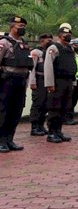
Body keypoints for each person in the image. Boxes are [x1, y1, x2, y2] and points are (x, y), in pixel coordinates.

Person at [0, 16, 34, 152]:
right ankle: (1, 140)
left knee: (16, 111)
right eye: (20, 27)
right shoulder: (4, 42)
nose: (22, 29)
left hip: (20, 81)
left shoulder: (24, 44)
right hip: (7, 81)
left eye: (24, 27)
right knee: (3, 111)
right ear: (12, 26)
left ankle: (9, 139)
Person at [43, 25, 78, 143]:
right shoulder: (54, 48)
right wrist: (49, 83)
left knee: (64, 107)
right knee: (55, 107)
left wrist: (73, 81)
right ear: (59, 35)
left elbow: (72, 65)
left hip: (68, 81)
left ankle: (59, 131)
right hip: (57, 82)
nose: (67, 36)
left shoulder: (70, 48)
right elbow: (48, 66)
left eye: (69, 34)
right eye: (65, 34)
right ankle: (52, 132)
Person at [28, 33, 53, 136]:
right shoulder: (35, 52)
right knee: (38, 103)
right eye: (48, 40)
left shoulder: (48, 52)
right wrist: (32, 82)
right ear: (42, 41)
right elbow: (32, 68)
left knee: (46, 104)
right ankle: (34, 127)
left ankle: (41, 125)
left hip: (47, 81)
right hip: (39, 80)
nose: (50, 42)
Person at [64, 38, 78, 126]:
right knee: (69, 99)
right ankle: (66, 118)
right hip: (71, 79)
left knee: (75, 99)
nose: (77, 47)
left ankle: (70, 117)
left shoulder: (77, 56)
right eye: (75, 45)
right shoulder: (68, 56)